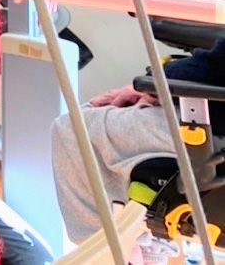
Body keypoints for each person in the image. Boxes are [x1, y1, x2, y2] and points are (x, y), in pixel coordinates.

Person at [51, 39, 225, 243]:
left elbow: (213, 66)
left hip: (212, 136)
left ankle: (104, 249)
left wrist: (152, 83)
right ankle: (147, 247)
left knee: (72, 128)